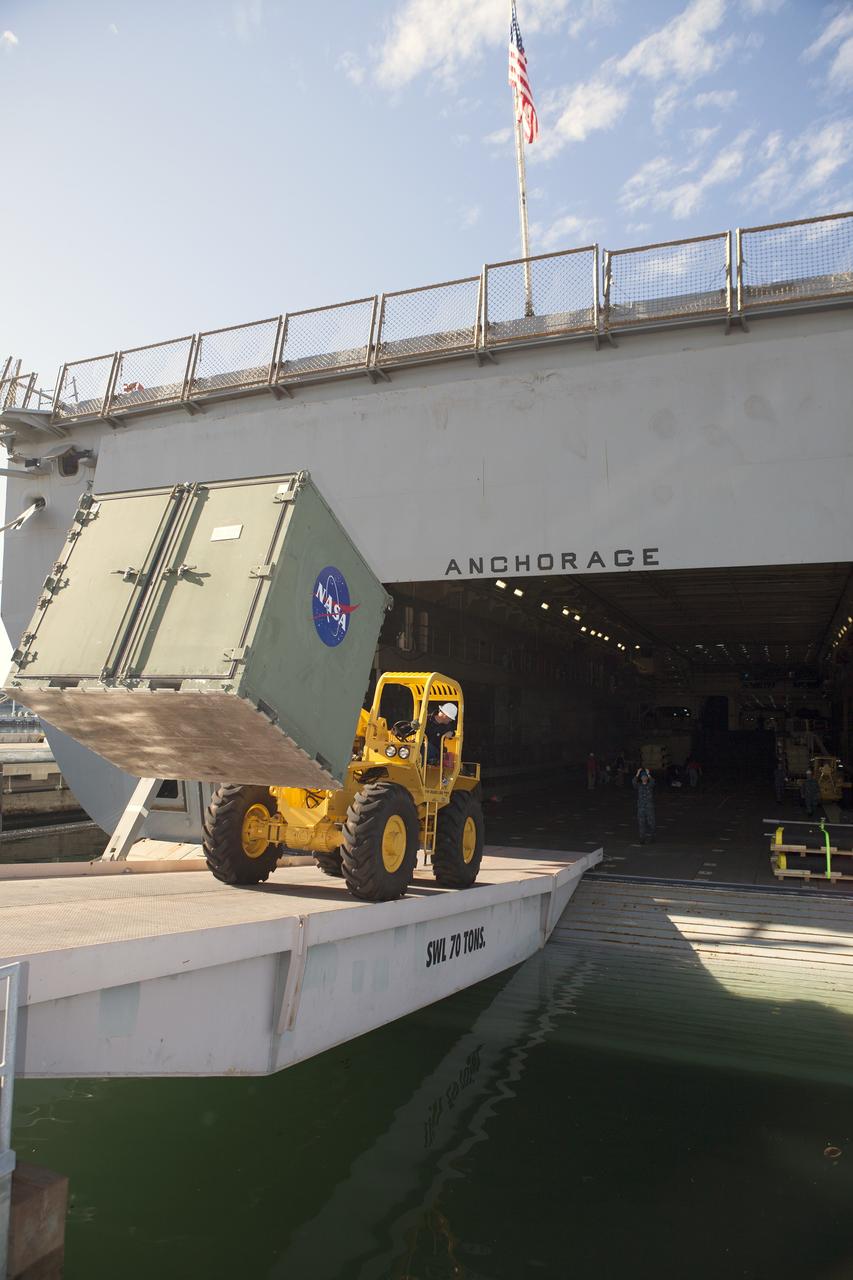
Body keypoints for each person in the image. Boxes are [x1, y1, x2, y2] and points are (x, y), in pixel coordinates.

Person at [633, 767, 656, 843]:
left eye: (645, 777)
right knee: (641, 824)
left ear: (647, 778)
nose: (644, 778)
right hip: (641, 808)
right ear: (641, 778)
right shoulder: (639, 786)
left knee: (651, 823)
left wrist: (648, 773)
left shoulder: (650, 785)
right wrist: (637, 773)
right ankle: (642, 838)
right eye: (642, 777)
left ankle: (652, 837)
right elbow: (634, 782)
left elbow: (653, 781)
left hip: (649, 808)